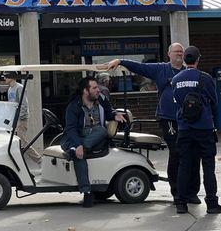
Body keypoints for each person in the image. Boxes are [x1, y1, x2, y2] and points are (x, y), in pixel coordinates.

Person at [104, 43, 201, 204]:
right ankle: (177, 193)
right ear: (168, 54)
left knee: (192, 154)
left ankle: (192, 192)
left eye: (181, 52)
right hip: (168, 119)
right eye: (176, 51)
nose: (179, 54)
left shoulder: (189, 72)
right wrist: (120, 61)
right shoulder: (160, 69)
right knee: (176, 153)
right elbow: (139, 67)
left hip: (188, 120)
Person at [172, 46, 221, 215]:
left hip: (184, 128)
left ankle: (181, 203)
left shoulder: (176, 79)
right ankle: (212, 204)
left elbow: (177, 101)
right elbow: (214, 101)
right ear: (197, 59)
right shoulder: (205, 78)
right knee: (208, 166)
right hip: (204, 128)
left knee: (184, 166)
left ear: (184, 60)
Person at [60, 76, 126, 208]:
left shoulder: (101, 100)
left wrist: (115, 115)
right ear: (85, 91)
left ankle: (81, 149)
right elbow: (71, 129)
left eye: (98, 87)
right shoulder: (74, 106)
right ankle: (87, 191)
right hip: (76, 137)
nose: (98, 90)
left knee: (101, 130)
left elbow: (108, 113)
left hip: (95, 138)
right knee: (79, 156)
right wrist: (78, 144)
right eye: (94, 88)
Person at [4, 72, 41, 163]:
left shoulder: (19, 87)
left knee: (22, 142)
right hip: (14, 119)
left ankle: (39, 160)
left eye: (6, 76)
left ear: (12, 77)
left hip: (21, 119)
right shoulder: (10, 89)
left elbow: (24, 104)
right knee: (13, 142)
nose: (4, 78)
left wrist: (20, 118)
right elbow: (11, 105)